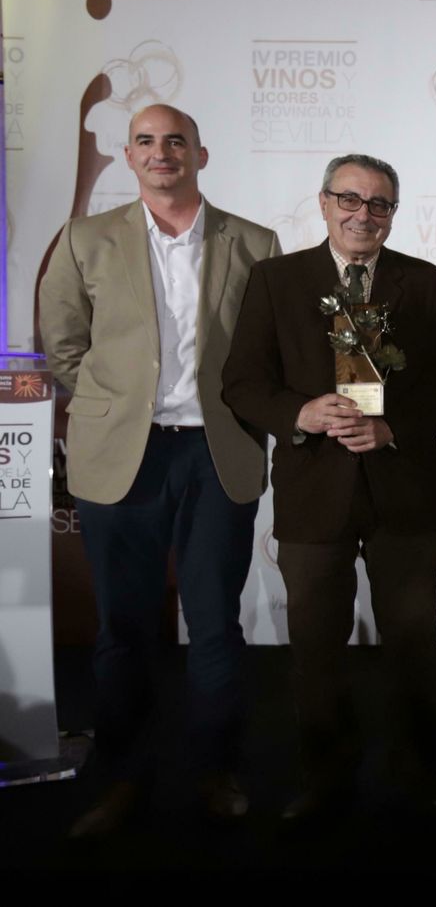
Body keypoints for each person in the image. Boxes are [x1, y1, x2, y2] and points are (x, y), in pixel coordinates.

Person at [38, 104, 281, 835]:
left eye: (176, 141)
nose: (161, 152)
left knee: (214, 627)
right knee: (124, 629)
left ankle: (216, 770)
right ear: (129, 155)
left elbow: (266, 350)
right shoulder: (85, 239)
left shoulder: (254, 242)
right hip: (123, 454)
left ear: (200, 155)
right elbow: (62, 345)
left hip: (217, 453)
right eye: (145, 141)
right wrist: (115, 407)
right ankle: (123, 780)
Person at [220, 153, 436, 822]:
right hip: (312, 488)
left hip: (404, 490)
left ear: (393, 213)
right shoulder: (276, 279)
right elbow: (242, 381)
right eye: (350, 199)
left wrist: (393, 428)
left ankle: (418, 776)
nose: (364, 214)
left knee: (413, 645)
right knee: (316, 651)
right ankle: (326, 781)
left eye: (379, 203)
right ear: (324, 203)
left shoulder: (425, 282)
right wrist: (298, 413)